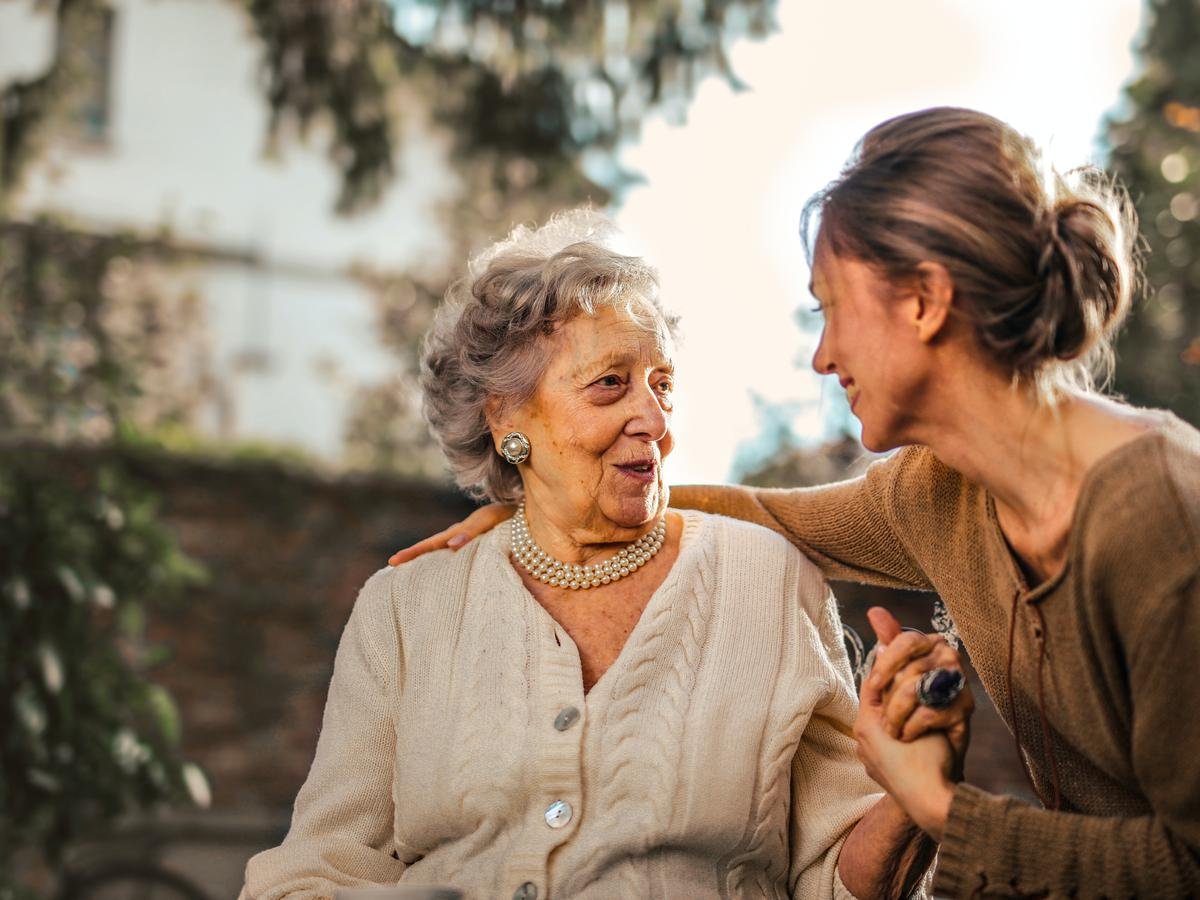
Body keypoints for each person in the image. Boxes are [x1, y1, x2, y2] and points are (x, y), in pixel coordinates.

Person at [389, 109, 1200, 897]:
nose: (822, 355)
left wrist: (939, 808)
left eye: (830, 308)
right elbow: (768, 514)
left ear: (924, 301)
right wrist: (550, 504)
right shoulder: (938, 493)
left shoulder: (1158, 518)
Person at [242, 211, 939, 899]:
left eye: (662, 384)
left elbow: (835, 878)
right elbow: (317, 871)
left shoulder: (768, 581)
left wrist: (913, 797)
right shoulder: (404, 608)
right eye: (610, 383)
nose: (656, 421)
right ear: (505, 416)